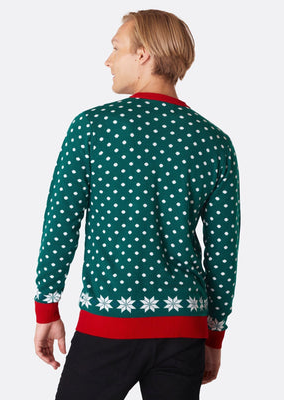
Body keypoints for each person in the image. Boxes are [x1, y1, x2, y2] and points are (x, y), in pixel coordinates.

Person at [34, 9, 241, 400]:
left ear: (143, 54)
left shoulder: (93, 127)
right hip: (184, 330)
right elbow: (223, 250)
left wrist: (47, 305)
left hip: (109, 323)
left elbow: (61, 222)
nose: (108, 60)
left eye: (116, 48)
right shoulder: (214, 142)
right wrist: (214, 335)